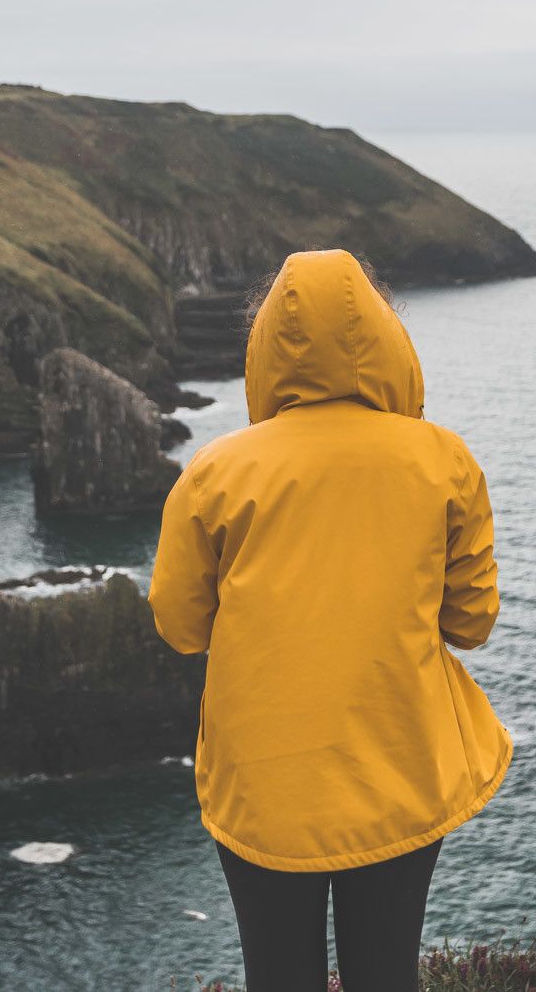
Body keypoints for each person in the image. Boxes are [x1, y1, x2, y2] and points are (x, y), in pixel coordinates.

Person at [148, 249, 512, 992]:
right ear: (386, 338)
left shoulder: (213, 474)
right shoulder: (443, 460)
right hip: (398, 764)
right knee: (384, 972)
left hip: (264, 781)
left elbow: (181, 627)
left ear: (266, 351)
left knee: (279, 975)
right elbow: (471, 622)